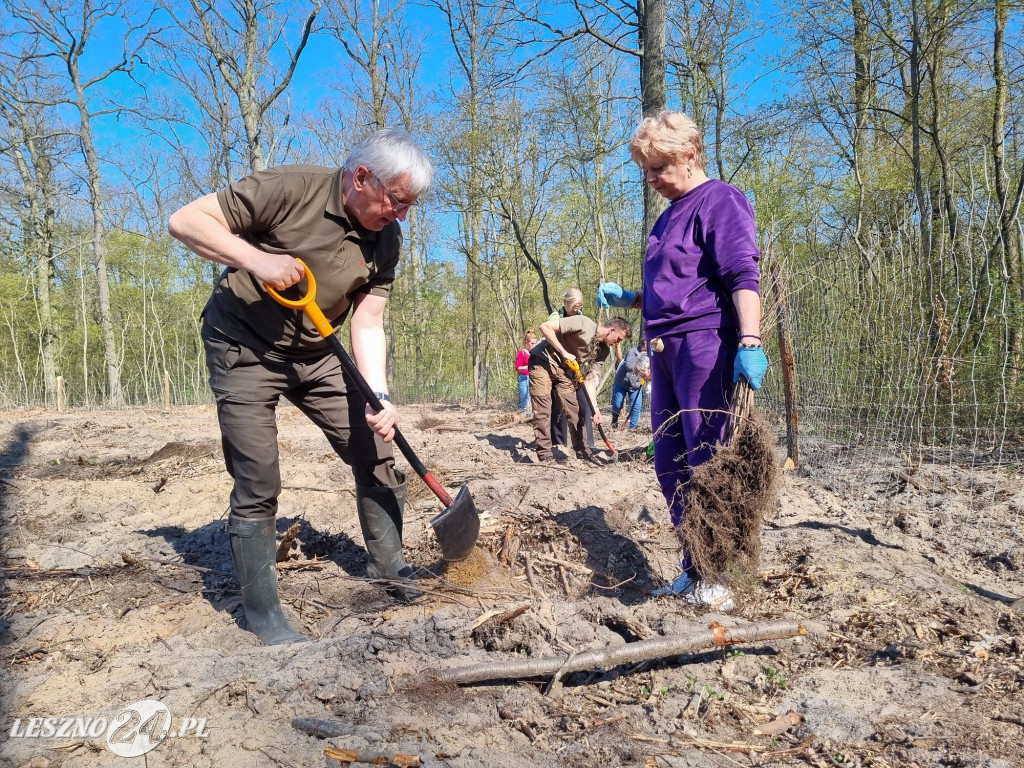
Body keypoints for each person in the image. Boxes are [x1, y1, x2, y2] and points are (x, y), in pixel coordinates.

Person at [168, 129, 432, 645]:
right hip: (243, 345)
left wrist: (378, 394)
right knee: (258, 474)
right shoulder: (291, 188)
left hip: (317, 351)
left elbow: (369, 320)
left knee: (375, 446)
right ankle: (263, 612)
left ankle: (389, 565)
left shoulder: (387, 238)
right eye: (397, 201)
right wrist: (257, 260)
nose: (401, 215)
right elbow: (185, 221)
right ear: (361, 177)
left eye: (410, 206)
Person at [597, 110, 768, 612]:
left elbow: (741, 274)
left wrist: (750, 340)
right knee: (670, 461)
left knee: (706, 456)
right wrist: (633, 299)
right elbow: (675, 286)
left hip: (705, 344)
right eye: (645, 170)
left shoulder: (721, 200)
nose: (651, 179)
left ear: (690, 155)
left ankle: (719, 574)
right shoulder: (668, 214)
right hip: (662, 347)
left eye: (659, 168)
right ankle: (694, 569)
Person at [528, 315, 631, 464]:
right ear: (612, 330)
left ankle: (583, 452)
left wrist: (595, 408)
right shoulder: (583, 323)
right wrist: (563, 352)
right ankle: (545, 456)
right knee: (543, 410)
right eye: (619, 339)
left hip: (563, 370)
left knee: (575, 412)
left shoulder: (603, 351)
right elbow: (545, 326)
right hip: (541, 361)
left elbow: (589, 379)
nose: (617, 344)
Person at [611, 344, 649, 430]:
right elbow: (628, 365)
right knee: (617, 404)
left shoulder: (649, 355)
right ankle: (614, 421)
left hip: (636, 385)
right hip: (622, 382)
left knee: (636, 406)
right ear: (643, 343)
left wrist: (648, 383)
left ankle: (633, 428)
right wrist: (639, 367)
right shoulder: (633, 351)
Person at [515, 330, 538, 412]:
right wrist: (526, 367)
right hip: (525, 378)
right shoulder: (522, 353)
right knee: (525, 400)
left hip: (535, 378)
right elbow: (517, 367)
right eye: (532, 343)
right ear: (526, 342)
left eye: (535, 343)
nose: (534, 345)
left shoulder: (536, 353)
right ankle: (525, 414)